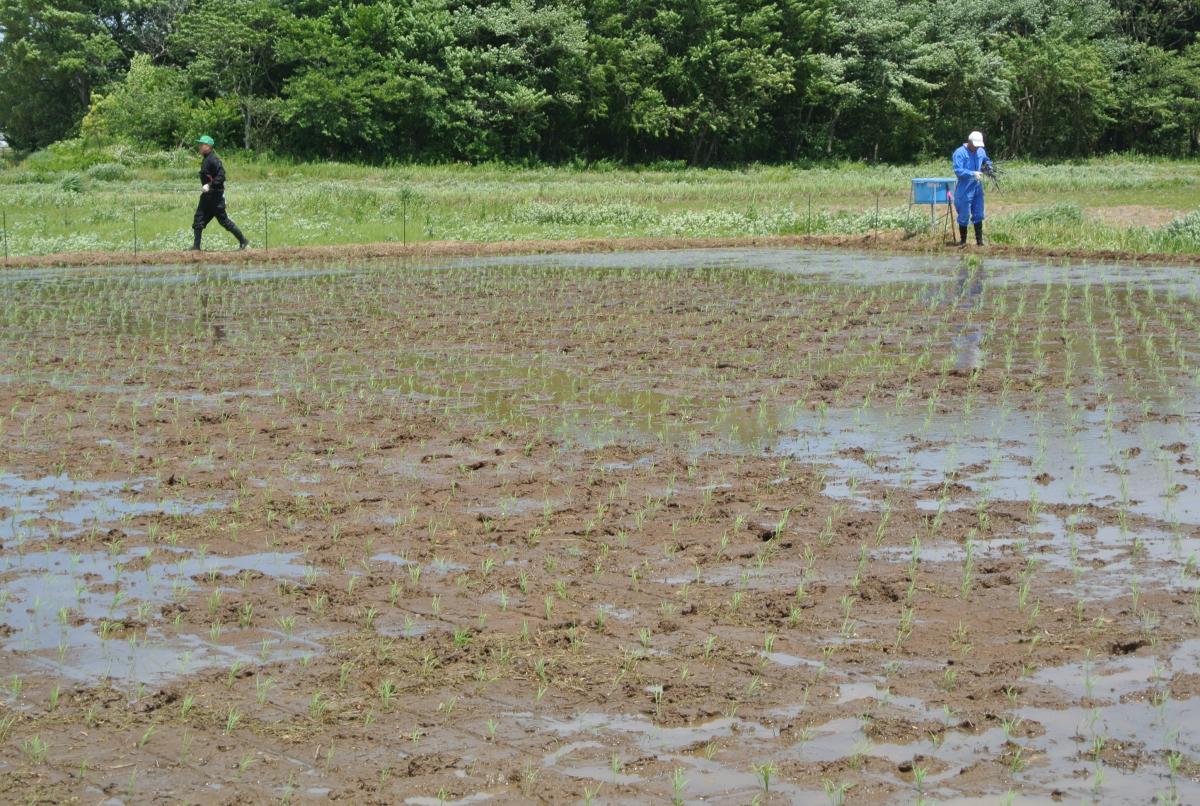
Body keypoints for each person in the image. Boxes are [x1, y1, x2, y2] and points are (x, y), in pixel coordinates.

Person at [192, 135, 248, 251]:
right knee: (198, 219)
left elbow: (221, 176)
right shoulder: (205, 159)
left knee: (224, 222)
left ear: (208, 146)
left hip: (216, 198)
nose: (199, 147)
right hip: (207, 198)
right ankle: (196, 247)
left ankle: (243, 241)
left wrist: (210, 185)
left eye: (201, 145)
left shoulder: (213, 159)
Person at [952, 131, 991, 247]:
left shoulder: (980, 150)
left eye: (979, 145)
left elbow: (986, 160)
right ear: (969, 142)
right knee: (964, 214)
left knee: (978, 212)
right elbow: (958, 171)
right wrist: (972, 173)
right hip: (965, 188)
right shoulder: (959, 153)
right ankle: (963, 242)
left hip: (977, 187)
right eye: (975, 144)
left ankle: (979, 242)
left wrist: (989, 167)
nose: (977, 147)